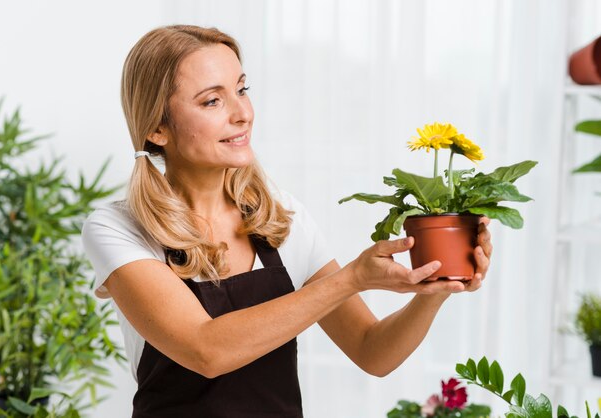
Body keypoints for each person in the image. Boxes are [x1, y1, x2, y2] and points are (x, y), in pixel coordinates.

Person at [81, 24, 492, 418]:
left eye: (242, 90)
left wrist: (435, 289)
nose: (242, 113)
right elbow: (206, 350)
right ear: (156, 127)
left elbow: (372, 351)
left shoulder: (279, 218)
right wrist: (351, 279)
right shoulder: (118, 229)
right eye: (212, 100)